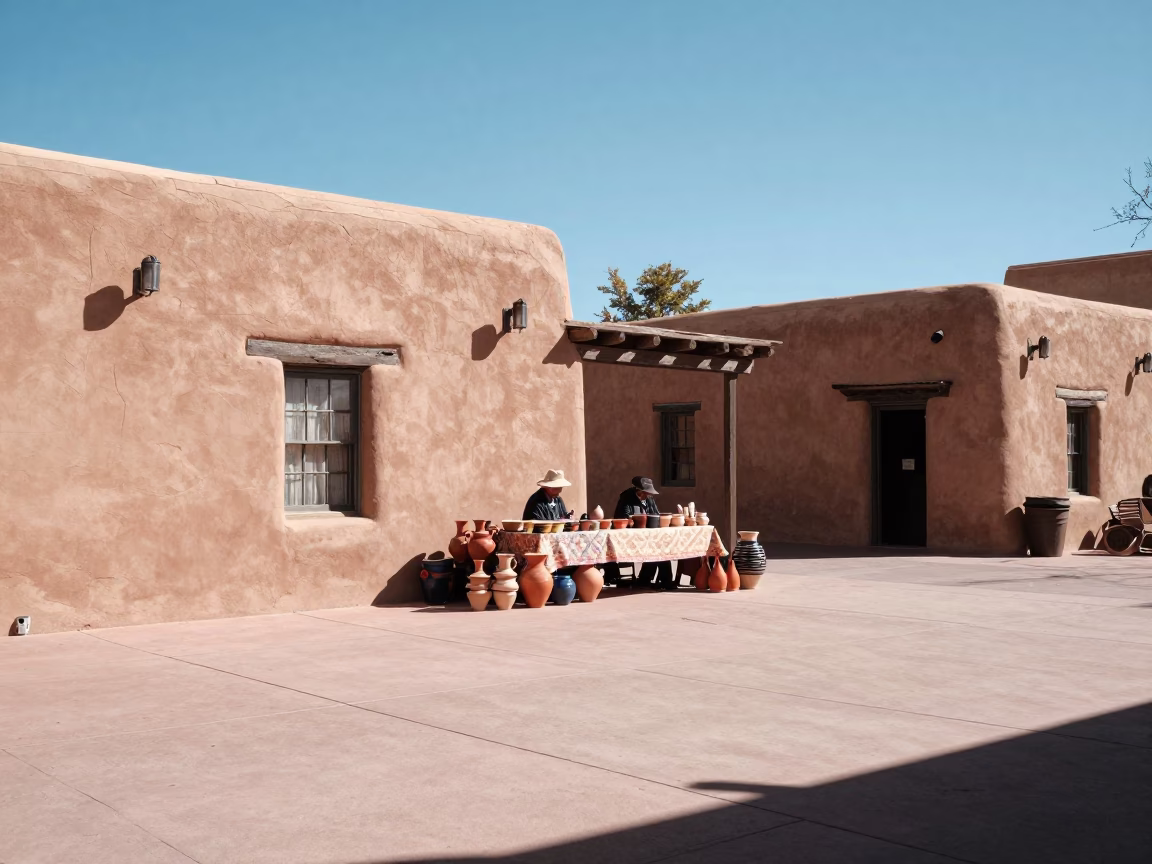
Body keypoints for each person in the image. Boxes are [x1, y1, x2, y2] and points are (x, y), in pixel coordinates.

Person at [609, 476, 677, 590]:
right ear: (639, 491)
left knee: (661, 547)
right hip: (631, 536)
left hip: (649, 535)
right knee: (656, 548)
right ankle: (652, 579)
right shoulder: (626, 498)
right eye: (646, 493)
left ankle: (655, 580)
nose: (648, 495)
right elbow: (623, 518)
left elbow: (656, 514)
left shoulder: (649, 499)